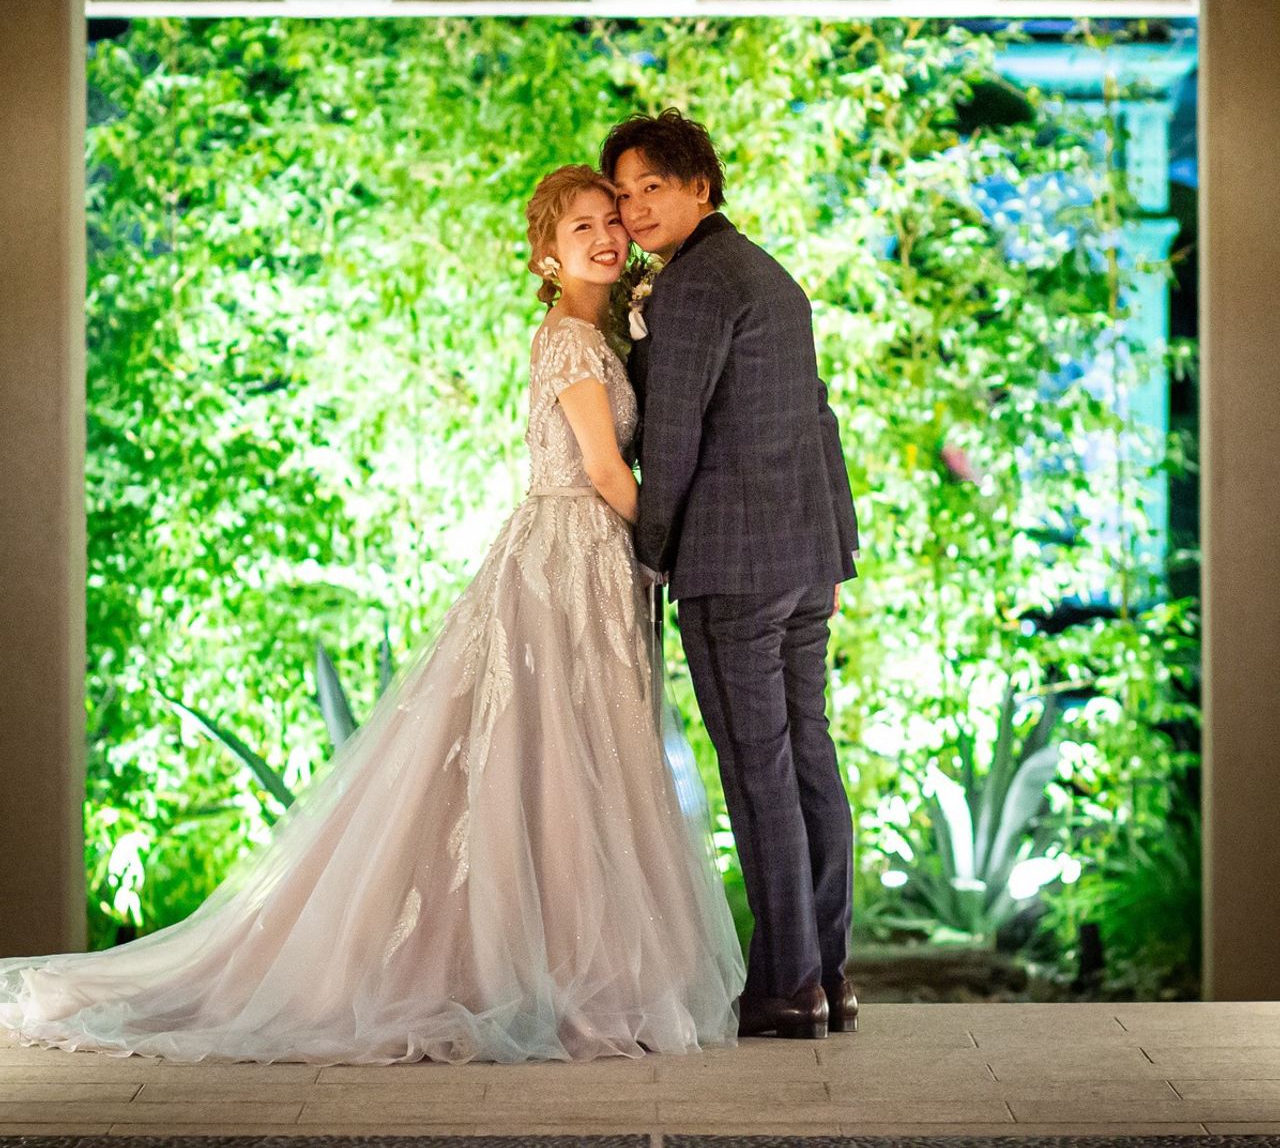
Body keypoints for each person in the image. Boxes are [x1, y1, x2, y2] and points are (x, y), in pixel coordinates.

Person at [0, 165, 744, 1065]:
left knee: (573, 756)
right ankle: (547, 974)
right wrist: (676, 547)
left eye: (609, 220)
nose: (604, 236)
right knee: (551, 751)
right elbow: (603, 470)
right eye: (578, 225)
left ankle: (575, 966)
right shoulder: (568, 342)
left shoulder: (605, 336)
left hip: (589, 558)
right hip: (565, 555)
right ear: (547, 255)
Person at [603, 110, 860, 1042]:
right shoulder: (769, 274)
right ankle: (828, 975)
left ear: (700, 186)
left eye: (652, 187)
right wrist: (837, 542)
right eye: (623, 193)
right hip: (803, 559)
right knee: (807, 757)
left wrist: (647, 552)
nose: (635, 208)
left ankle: (788, 986)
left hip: (732, 566)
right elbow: (819, 416)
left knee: (761, 772)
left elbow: (672, 439)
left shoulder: (695, 286)